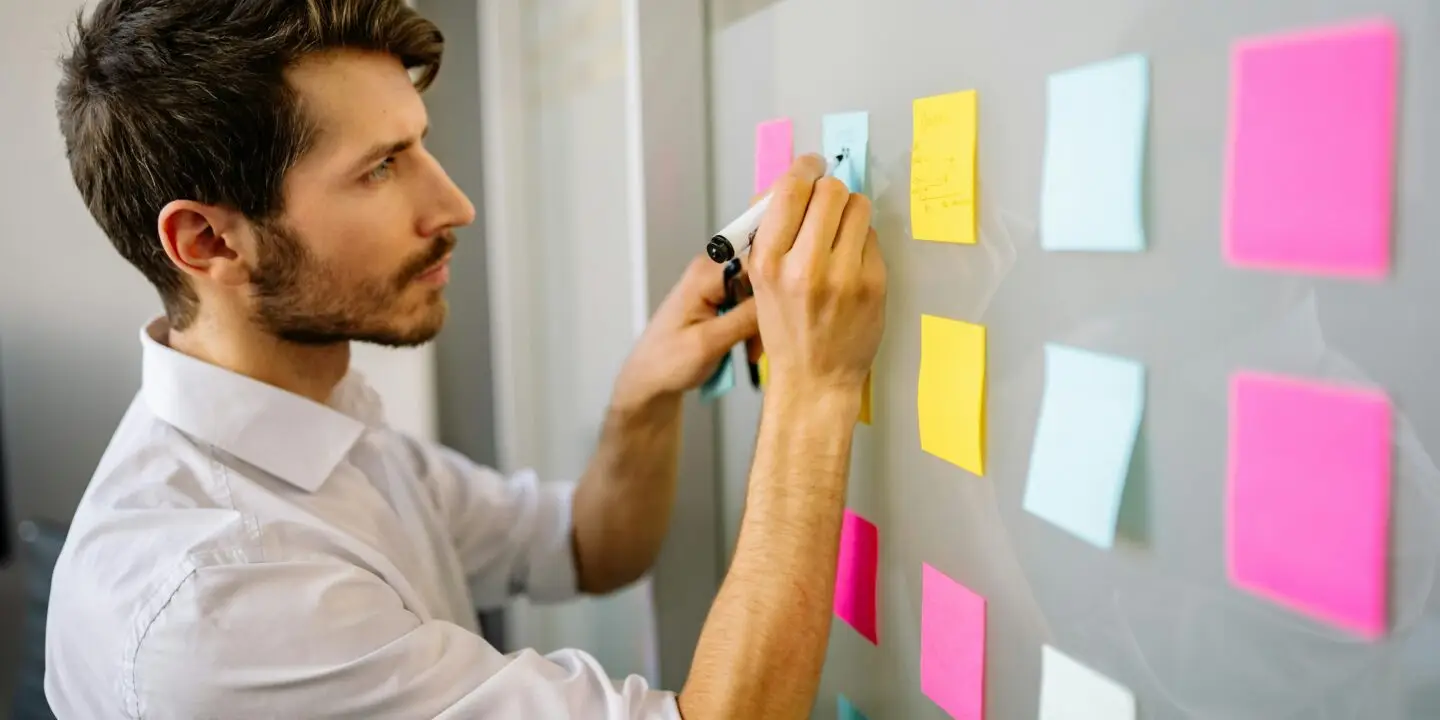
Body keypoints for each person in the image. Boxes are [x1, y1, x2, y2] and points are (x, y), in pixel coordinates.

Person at [43, 1, 886, 718]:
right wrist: (815, 392)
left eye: (418, 144)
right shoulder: (218, 599)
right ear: (207, 240)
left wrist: (642, 399)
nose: (454, 203)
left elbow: (588, 546)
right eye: (379, 168)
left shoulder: (321, 424)